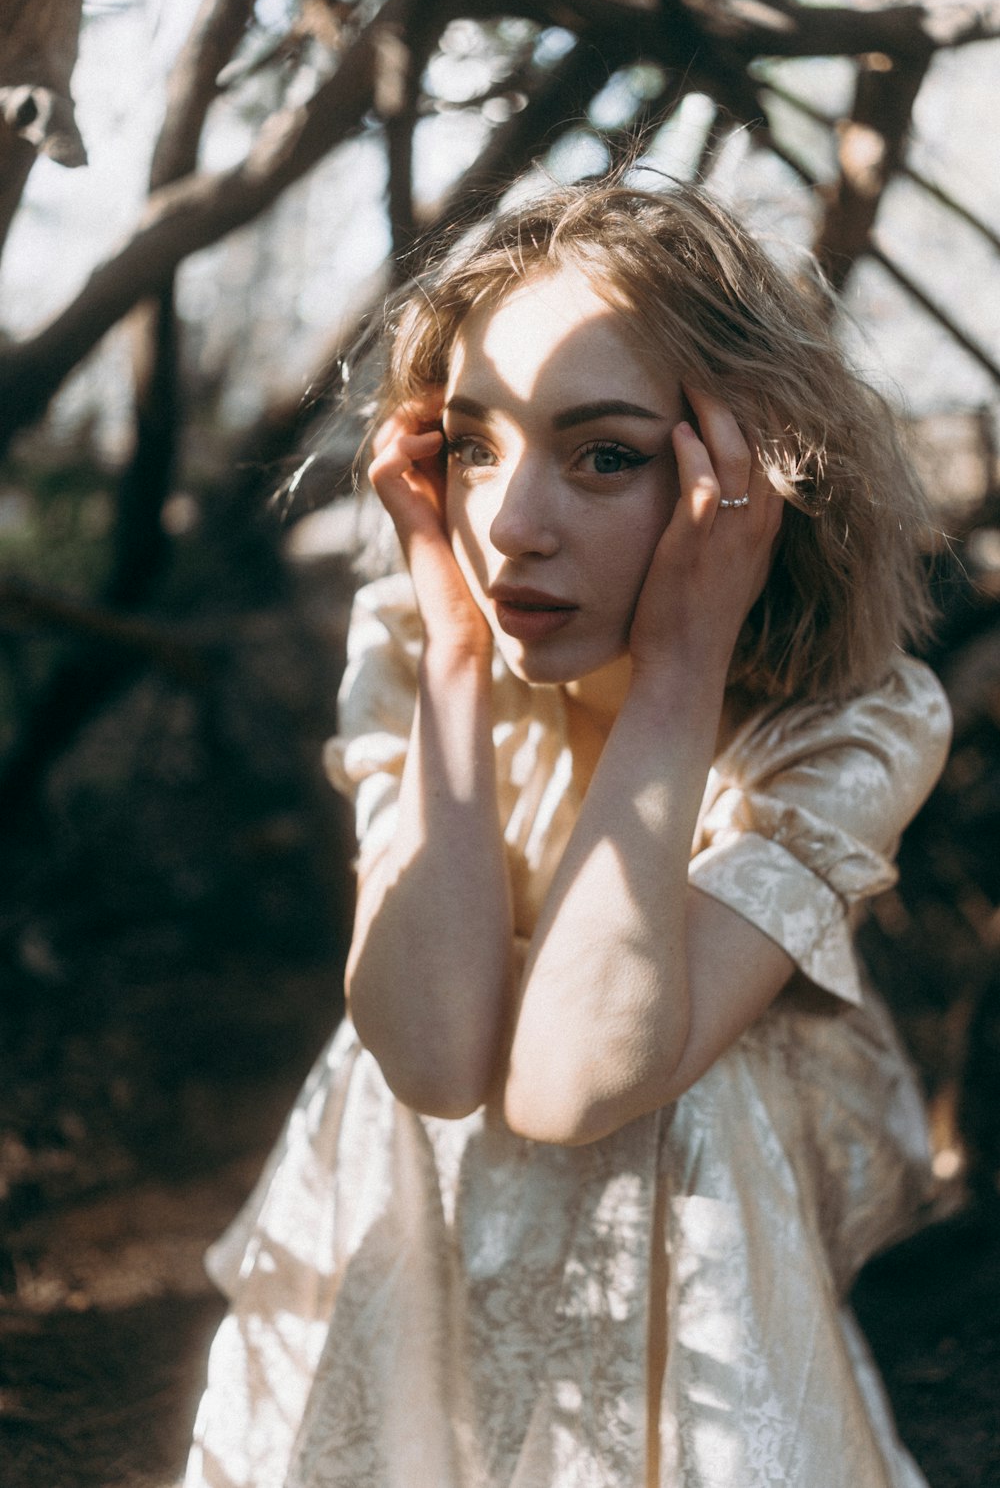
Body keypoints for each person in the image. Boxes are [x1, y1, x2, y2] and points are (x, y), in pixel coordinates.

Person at [184, 178, 952, 1488]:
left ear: (748, 480)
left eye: (603, 455)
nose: (510, 529)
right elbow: (430, 1060)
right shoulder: (420, 639)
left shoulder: (857, 721)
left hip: (720, 1176)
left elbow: (575, 1085)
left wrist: (677, 669)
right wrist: (451, 668)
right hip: (451, 1182)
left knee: (660, 1091)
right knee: (428, 1045)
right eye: (473, 445)